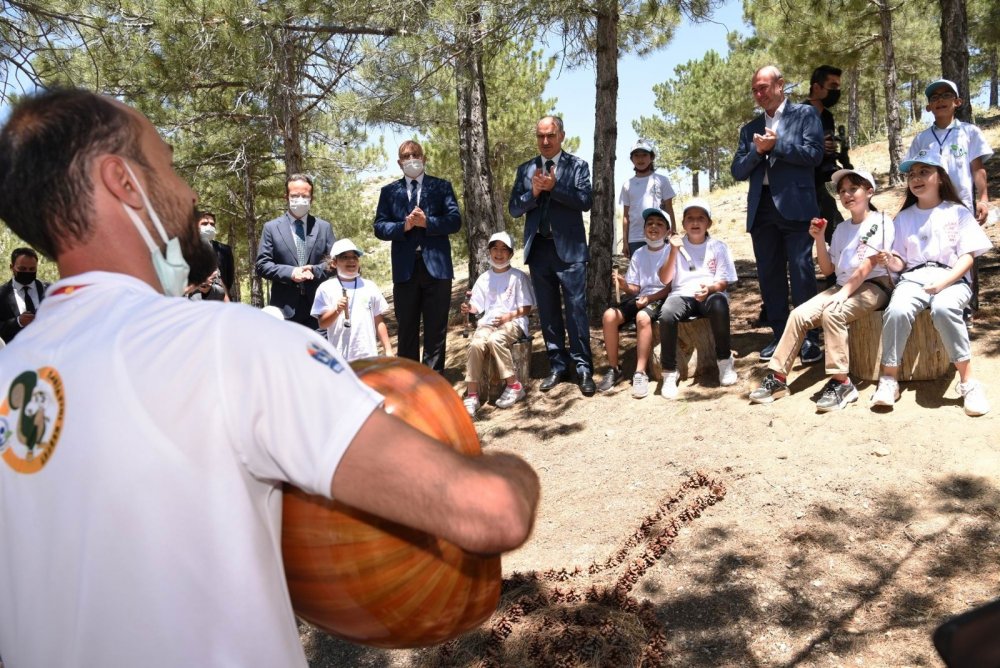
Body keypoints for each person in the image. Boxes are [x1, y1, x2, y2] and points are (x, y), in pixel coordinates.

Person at [0, 88, 540, 667]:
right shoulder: (227, 345)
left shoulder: (11, 371)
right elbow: (492, 514)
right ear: (124, 182)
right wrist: (504, 469)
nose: (187, 192)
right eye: (169, 165)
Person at [749, 169, 895, 411]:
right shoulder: (841, 229)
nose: (847, 195)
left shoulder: (881, 221)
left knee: (833, 313)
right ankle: (777, 378)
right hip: (842, 286)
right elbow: (828, 270)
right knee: (798, 315)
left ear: (869, 191)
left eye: (853, 189)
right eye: (842, 191)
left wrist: (843, 294)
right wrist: (819, 238)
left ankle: (842, 382)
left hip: (875, 285)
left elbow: (868, 265)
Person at [870, 150, 992, 416]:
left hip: (952, 277)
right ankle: (889, 380)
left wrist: (942, 284)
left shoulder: (958, 212)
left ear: (940, 177)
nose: (916, 178)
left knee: (944, 308)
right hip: (913, 279)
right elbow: (902, 263)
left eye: (924, 172)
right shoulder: (903, 218)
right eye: (911, 174)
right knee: (898, 309)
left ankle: (969, 382)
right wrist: (889, 260)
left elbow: (967, 258)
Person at [731, 65, 825, 365]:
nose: (760, 94)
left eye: (764, 87)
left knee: (801, 273)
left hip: (797, 206)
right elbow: (737, 170)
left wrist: (777, 146)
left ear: (780, 85)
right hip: (762, 209)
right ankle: (781, 335)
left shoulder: (805, 115)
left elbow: (814, 155)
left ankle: (809, 338)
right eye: (755, 89)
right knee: (769, 276)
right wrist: (757, 152)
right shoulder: (750, 129)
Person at [509, 115, 595, 396]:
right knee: (547, 313)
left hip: (570, 251)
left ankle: (583, 367)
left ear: (561, 136)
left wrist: (554, 187)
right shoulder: (525, 169)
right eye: (540, 136)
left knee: (576, 311)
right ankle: (558, 365)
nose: (545, 141)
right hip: (539, 250)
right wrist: (533, 192)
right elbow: (514, 208)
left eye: (550, 135)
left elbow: (585, 201)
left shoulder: (577, 166)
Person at [374, 140, 461, 374]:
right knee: (407, 331)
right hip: (405, 271)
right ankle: (410, 381)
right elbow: (379, 227)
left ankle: (433, 381)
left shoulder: (441, 187)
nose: (411, 158)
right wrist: (403, 226)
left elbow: (455, 221)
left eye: (415, 154)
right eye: (406, 155)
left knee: (436, 330)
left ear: (424, 158)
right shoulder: (389, 191)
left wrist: (427, 222)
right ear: (399, 162)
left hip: (437, 270)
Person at [656, 199, 739, 399]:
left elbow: (723, 282)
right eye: (690, 219)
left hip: (708, 294)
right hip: (681, 295)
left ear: (708, 223)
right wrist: (674, 250)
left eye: (700, 218)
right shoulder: (673, 246)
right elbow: (664, 278)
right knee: (666, 314)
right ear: (683, 224)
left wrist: (710, 289)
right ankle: (669, 372)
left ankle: (724, 361)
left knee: (720, 303)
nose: (695, 223)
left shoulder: (718, 247)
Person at [596, 208, 672, 398]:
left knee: (642, 317)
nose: (653, 226)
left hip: (663, 298)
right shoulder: (639, 253)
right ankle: (614, 368)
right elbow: (635, 289)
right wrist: (624, 285)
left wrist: (650, 299)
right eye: (650, 223)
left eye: (659, 223)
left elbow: (671, 287)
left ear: (668, 231)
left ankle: (640, 372)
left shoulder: (671, 252)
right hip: (642, 298)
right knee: (609, 316)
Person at [460, 232, 535, 417]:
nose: (499, 253)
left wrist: (507, 317)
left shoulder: (518, 277)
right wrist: (469, 308)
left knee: (496, 339)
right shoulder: (484, 278)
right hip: (488, 323)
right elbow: (477, 306)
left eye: (504, 249)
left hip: (513, 322)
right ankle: (472, 394)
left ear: (510, 253)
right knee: (476, 343)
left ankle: (514, 385)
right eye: (495, 249)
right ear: (489, 252)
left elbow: (527, 307)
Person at [255, 173, 335, 329]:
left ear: (312, 198)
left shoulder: (324, 227)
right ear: (286, 197)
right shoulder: (271, 228)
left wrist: (314, 270)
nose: (300, 199)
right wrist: (291, 273)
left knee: (318, 353)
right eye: (295, 195)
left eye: (304, 196)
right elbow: (262, 264)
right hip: (284, 310)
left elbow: (334, 262)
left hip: (319, 308)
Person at [311, 238, 393, 361]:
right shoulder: (325, 288)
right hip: (341, 359)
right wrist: (337, 310)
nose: (351, 260)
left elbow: (378, 320)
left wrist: (388, 349)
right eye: (345, 257)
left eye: (355, 257)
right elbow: (322, 324)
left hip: (368, 355)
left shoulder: (369, 286)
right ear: (334, 262)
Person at [807, 65, 849, 245]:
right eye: (832, 86)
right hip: (805, 183)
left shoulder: (828, 116)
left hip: (826, 179)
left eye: (838, 86)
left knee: (834, 229)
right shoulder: (797, 113)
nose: (836, 91)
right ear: (817, 87)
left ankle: (836, 270)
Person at [619, 139, 677, 257]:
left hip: (659, 234)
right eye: (636, 155)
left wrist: (673, 232)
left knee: (661, 272)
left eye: (644, 155)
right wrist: (625, 241)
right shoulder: (627, 185)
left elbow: (669, 209)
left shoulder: (662, 180)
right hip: (635, 238)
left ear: (651, 157)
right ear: (632, 159)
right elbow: (626, 216)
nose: (640, 159)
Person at [0, 247, 47, 344]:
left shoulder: (49, 290)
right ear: (12, 267)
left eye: (32, 269)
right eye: (22, 269)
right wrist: (18, 322)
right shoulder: (2, 294)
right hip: (14, 354)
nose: (27, 272)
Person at [198, 210, 236, 299]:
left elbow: (229, 279)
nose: (209, 226)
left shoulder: (224, 250)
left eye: (212, 224)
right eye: (204, 223)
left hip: (219, 301)